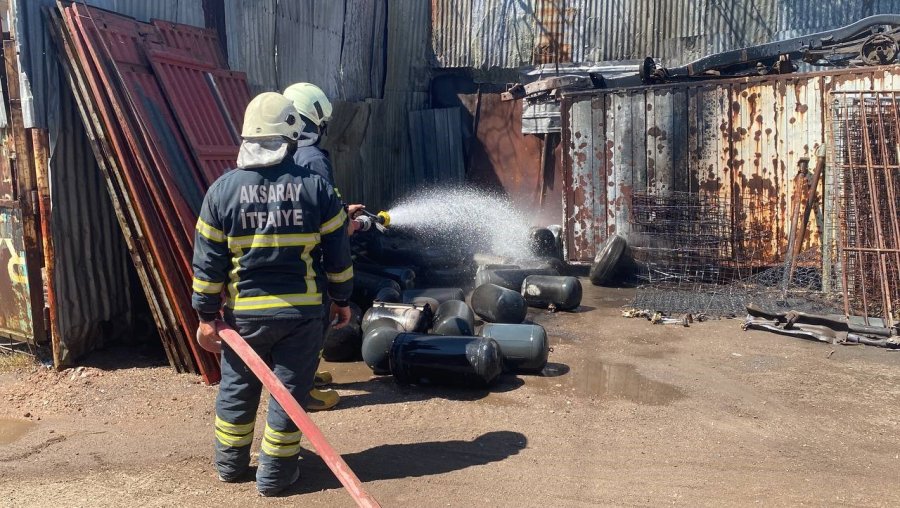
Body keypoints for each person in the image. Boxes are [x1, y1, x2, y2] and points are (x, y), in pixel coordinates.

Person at [192, 92, 353, 496]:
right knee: (289, 393)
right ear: (292, 135)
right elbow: (338, 255)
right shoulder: (316, 189)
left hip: (244, 318)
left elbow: (208, 265)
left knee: (237, 388)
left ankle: (230, 466)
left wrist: (206, 315)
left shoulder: (221, 192)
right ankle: (276, 476)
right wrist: (343, 298)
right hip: (302, 315)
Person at [283, 82, 365, 411]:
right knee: (314, 323)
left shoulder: (285, 154)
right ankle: (303, 390)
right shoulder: (314, 158)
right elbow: (325, 221)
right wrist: (347, 225)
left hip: (289, 254)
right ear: (315, 122)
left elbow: (307, 208)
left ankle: (304, 377)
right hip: (311, 258)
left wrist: (342, 213)